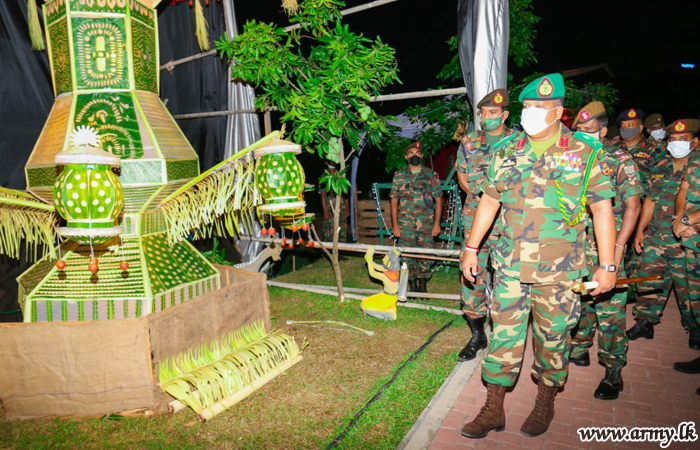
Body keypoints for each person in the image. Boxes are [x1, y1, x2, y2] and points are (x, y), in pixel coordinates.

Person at [460, 74, 617, 439]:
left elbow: (603, 210)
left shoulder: (584, 152)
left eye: (539, 108)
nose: (529, 113)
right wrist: (471, 247)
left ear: (559, 112)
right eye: (527, 107)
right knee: (503, 339)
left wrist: (607, 265)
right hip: (511, 266)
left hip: (560, 273)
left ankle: (544, 402)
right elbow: (489, 199)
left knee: (552, 340)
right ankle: (493, 408)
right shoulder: (507, 151)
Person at [569, 101, 642, 400]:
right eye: (578, 131)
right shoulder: (571, 158)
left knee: (609, 309)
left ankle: (613, 369)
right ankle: (581, 347)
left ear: (601, 131)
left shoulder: (619, 160)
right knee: (581, 299)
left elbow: (633, 205)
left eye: (587, 131)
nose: (581, 136)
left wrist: (617, 248)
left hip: (605, 249)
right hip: (574, 247)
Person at [627, 119, 700, 349]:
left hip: (687, 241)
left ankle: (694, 329)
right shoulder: (661, 165)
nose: (677, 144)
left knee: (688, 289)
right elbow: (649, 200)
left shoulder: (696, 167)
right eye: (673, 140)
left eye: (683, 139)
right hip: (657, 236)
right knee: (648, 280)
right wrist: (640, 231)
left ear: (695, 142)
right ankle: (644, 322)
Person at [455, 89, 516, 362]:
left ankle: (505, 334)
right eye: (483, 113)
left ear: (504, 115)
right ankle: (478, 336)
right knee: (472, 277)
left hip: (509, 222)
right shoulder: (468, 141)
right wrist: (478, 197)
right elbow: (462, 174)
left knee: (509, 277)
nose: (486, 117)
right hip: (474, 220)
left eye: (492, 113)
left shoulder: (519, 142)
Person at [390, 142, 443, 293]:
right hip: (405, 225)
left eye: (418, 153)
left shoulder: (431, 176)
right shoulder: (399, 176)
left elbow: (438, 200)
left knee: (427, 256)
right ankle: (412, 286)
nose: (415, 156)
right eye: (411, 153)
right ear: (406, 157)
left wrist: (437, 224)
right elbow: (394, 200)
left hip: (426, 225)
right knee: (407, 256)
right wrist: (395, 225)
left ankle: (423, 286)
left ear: (422, 156)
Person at [671, 119, 700, 359]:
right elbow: (683, 190)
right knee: (695, 296)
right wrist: (680, 219)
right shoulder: (694, 162)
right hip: (692, 240)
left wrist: (688, 221)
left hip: (692, 231)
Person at [319, 162, 349, 243]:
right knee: (330, 230)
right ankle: (331, 251)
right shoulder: (324, 176)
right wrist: (325, 211)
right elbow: (322, 195)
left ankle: (342, 251)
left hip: (341, 205)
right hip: (330, 206)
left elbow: (345, 192)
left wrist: (347, 207)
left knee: (343, 228)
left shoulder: (340, 174)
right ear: (325, 162)